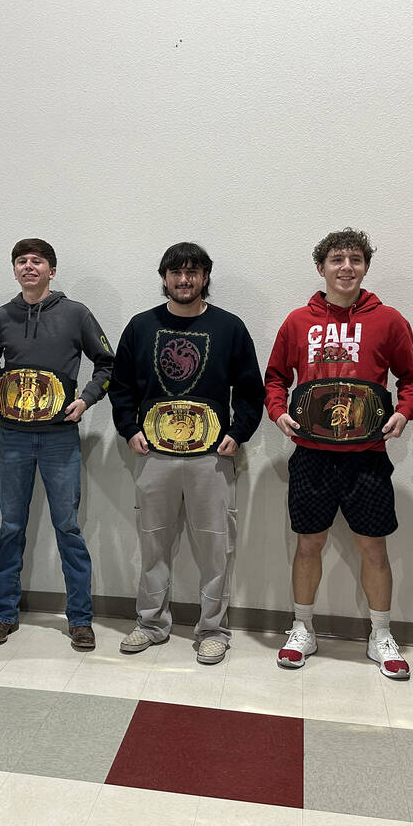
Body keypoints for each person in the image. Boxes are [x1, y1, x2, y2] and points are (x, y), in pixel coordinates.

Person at [264, 229, 413, 678]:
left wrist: (405, 412)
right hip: (311, 453)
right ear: (321, 268)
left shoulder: (389, 320)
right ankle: (302, 628)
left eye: (355, 259)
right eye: (337, 259)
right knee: (308, 544)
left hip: (367, 453)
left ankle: (381, 634)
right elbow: (275, 377)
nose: (346, 267)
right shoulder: (297, 321)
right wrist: (278, 411)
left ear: (366, 266)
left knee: (373, 547)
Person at [108, 242, 264, 665]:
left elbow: (251, 390)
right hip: (154, 455)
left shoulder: (230, 327)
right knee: (153, 545)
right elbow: (121, 387)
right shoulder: (141, 326)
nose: (184, 279)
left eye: (193, 272)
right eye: (176, 272)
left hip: (212, 458)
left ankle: (213, 630)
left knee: (216, 549)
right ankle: (150, 624)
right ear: (164, 278)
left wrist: (239, 433)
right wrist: (129, 430)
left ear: (205, 277)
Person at [0, 238, 115, 651]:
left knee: (68, 528)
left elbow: (107, 362)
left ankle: (80, 619)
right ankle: (3, 615)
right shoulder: (2, 317)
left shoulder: (76, 314)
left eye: (37, 261)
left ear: (51, 271)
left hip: (60, 437)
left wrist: (86, 399)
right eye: (21, 261)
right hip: (13, 436)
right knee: (11, 527)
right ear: (14, 270)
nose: (28, 267)